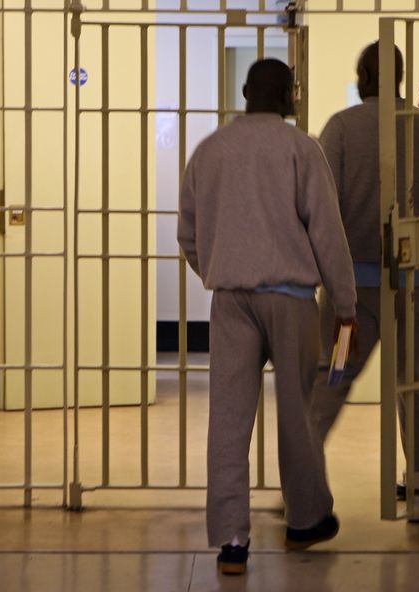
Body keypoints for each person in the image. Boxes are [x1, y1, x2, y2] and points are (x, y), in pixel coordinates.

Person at [177, 58, 357, 575]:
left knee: (228, 420)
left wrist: (221, 269)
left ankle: (232, 541)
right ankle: (305, 520)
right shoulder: (301, 149)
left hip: (230, 300)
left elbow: (188, 236)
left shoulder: (209, 151)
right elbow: (327, 232)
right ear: (286, 96)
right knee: (297, 414)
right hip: (292, 299)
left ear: (245, 92)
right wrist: (345, 306)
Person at [309, 41, 419, 521]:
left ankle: (302, 483)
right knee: (417, 384)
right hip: (414, 288)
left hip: (352, 299)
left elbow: (322, 211)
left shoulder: (341, 130)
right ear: (402, 76)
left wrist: (321, 274)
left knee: (332, 378)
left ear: (364, 77)